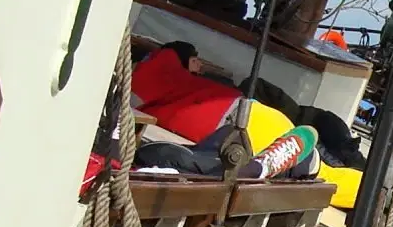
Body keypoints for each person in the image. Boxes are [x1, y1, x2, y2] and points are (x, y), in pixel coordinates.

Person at [129, 43, 314, 179]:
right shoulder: (171, 67)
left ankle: (261, 168)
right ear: (190, 61)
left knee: (157, 155)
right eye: (196, 61)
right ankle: (271, 166)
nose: (200, 66)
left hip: (242, 124)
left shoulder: (162, 67)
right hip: (248, 119)